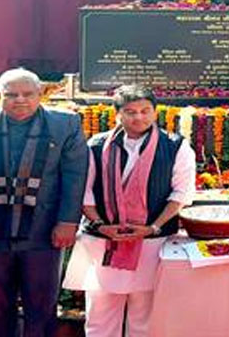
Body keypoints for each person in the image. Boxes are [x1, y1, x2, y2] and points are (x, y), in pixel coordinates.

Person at [0, 68, 88, 337]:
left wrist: (68, 220)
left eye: (27, 94)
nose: (20, 100)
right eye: (11, 94)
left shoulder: (65, 124)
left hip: (44, 229)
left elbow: (75, 174)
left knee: (42, 305)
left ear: (40, 94)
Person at [63, 85, 195, 337]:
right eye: (130, 112)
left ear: (155, 113)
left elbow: (181, 194)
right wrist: (100, 225)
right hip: (103, 240)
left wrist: (152, 227)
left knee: (145, 317)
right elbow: (83, 191)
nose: (139, 117)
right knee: (100, 315)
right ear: (118, 115)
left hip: (152, 241)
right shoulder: (96, 145)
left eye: (145, 111)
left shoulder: (175, 146)